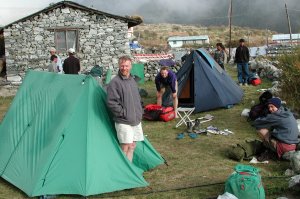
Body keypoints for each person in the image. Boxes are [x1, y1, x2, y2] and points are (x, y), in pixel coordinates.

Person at [106, 56, 144, 162]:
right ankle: (123, 173)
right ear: (119, 66)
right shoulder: (115, 82)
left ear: (131, 66)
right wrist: (124, 113)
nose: (124, 68)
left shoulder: (132, 80)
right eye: (122, 65)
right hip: (123, 121)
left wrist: (140, 111)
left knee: (132, 146)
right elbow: (111, 102)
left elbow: (138, 98)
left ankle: (129, 172)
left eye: (126, 65)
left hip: (135, 120)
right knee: (125, 147)